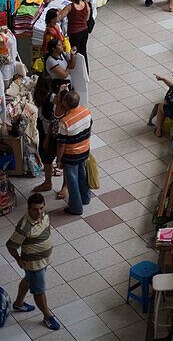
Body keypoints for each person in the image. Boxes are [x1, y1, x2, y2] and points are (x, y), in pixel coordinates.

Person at [5, 192, 60, 330]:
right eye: (35, 209)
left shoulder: (45, 214)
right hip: (34, 265)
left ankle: (18, 303)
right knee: (39, 291)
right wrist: (18, 259)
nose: (39, 212)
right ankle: (47, 316)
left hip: (44, 260)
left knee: (28, 280)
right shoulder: (24, 226)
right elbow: (10, 245)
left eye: (41, 208)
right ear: (28, 209)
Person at [56, 90, 92, 215]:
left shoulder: (64, 122)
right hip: (84, 150)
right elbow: (89, 130)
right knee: (83, 175)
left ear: (65, 103)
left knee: (72, 181)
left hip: (71, 156)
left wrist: (59, 159)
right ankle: (86, 198)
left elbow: (61, 145)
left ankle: (76, 208)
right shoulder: (86, 111)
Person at [57, 0, 92, 70]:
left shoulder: (70, 7)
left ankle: (77, 70)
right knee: (83, 52)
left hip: (74, 33)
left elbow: (59, 17)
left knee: (74, 53)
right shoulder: (86, 5)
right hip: (84, 31)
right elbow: (87, 19)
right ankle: (85, 70)